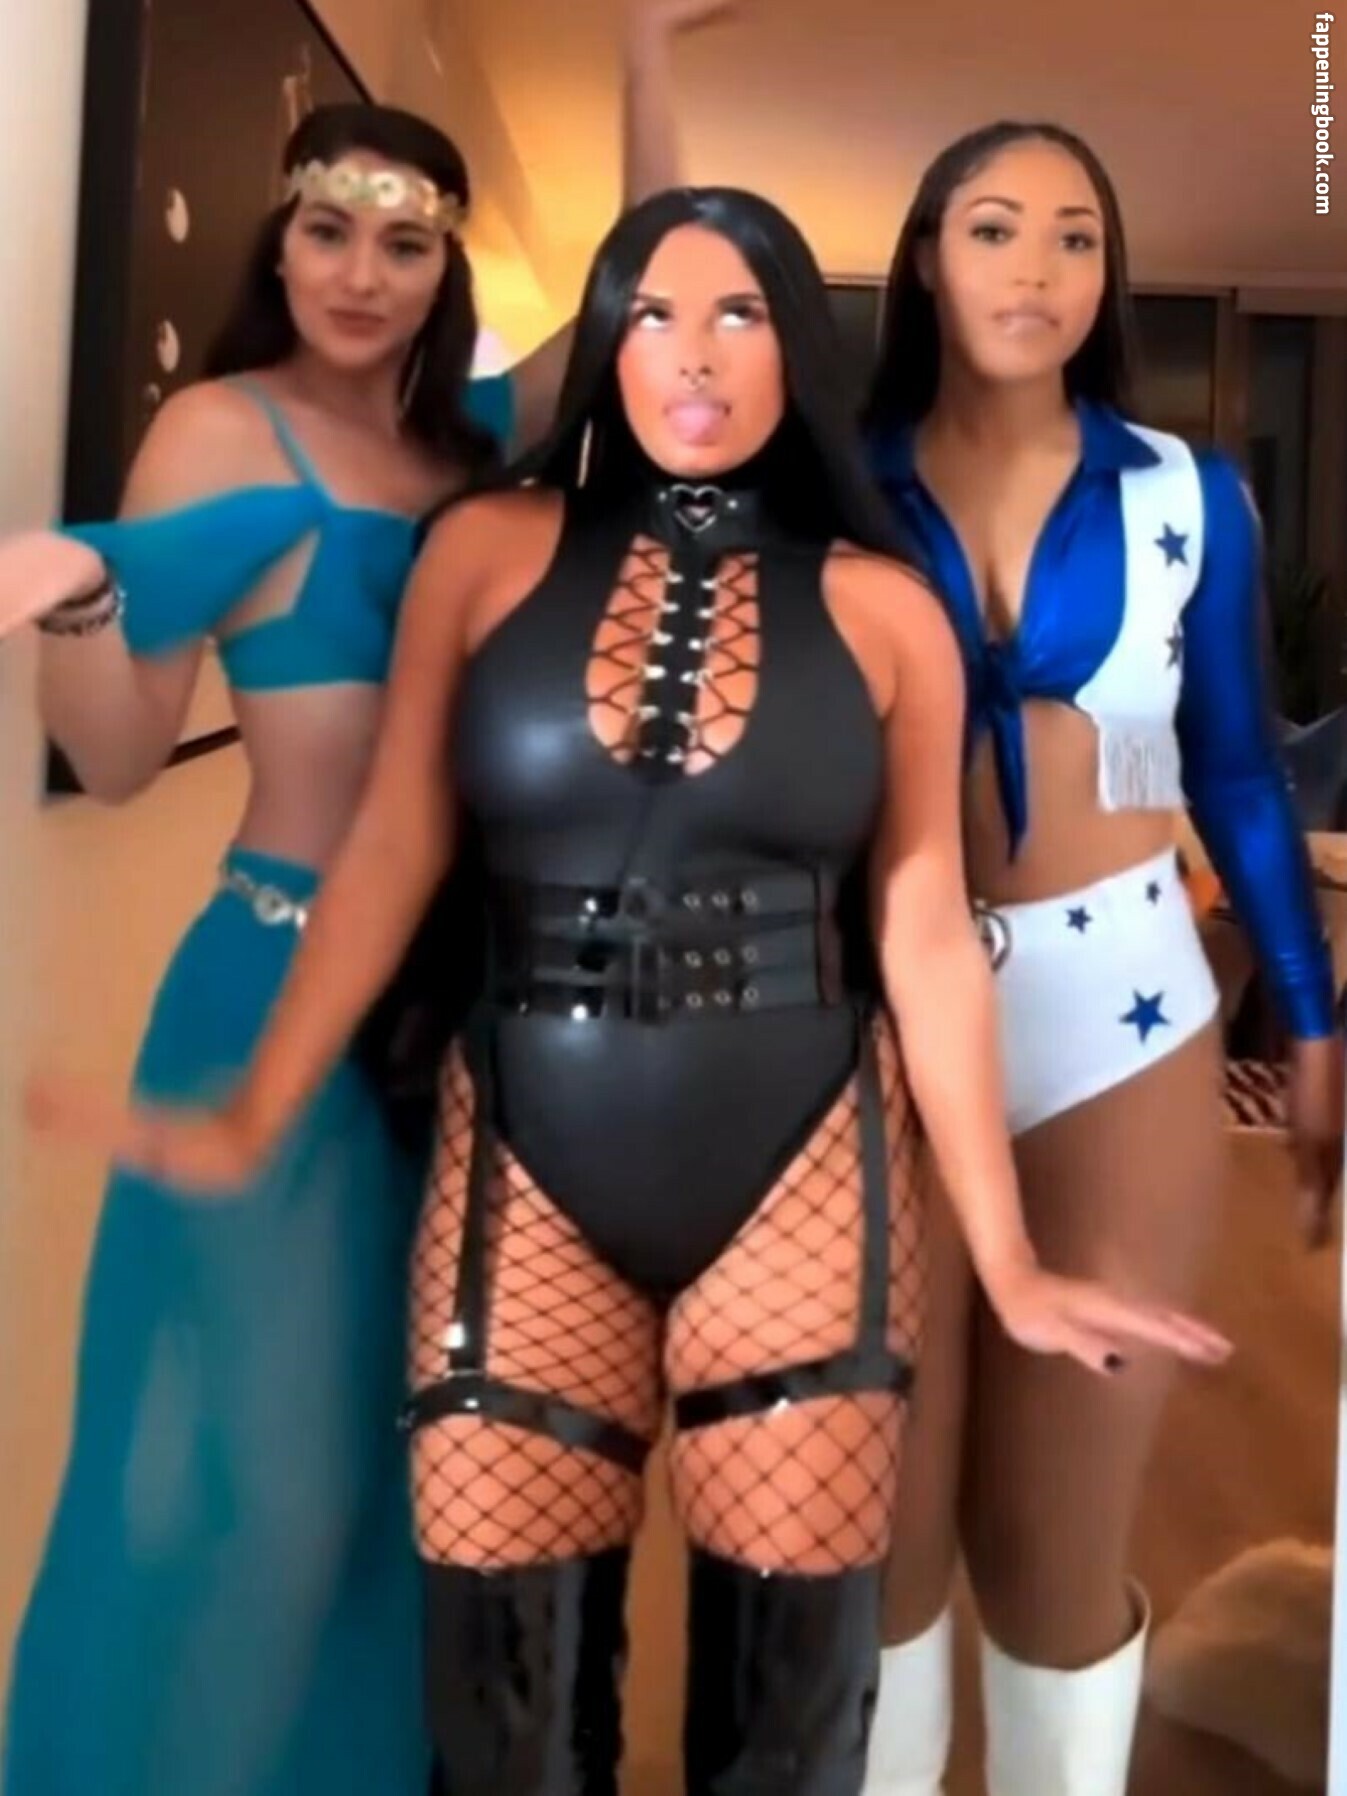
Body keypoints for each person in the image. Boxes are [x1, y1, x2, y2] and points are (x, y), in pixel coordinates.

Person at [35, 183, 1235, 1796]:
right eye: (654, 313)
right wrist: (258, 1109)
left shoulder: (887, 608)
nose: (695, 354)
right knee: (507, 1731)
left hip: (806, 1178)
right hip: (523, 1164)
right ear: (603, 342)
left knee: (784, 1737)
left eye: (739, 313)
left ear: (795, 348)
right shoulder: (483, 552)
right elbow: (391, 851)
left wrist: (1009, 1264)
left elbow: (926, 931)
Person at [1, 10, 730, 1791]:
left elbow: (651, 299)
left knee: (427, 1494)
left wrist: (646, 55)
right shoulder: (218, 432)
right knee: (260, 1503)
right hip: (277, 995)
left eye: (403, 246)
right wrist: (79, 600)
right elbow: (117, 757)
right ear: (280, 240)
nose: (358, 273)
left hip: (473, 1023)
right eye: (327, 231)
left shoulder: (473, 447)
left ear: (442, 271)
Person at [858, 120, 1343, 1796]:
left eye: (1078, 236)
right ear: (929, 259)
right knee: (878, 1536)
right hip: (875, 1030)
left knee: (1054, 1547)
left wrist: (1313, 1020)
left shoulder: (1186, 495)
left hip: (1119, 1027)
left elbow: (1239, 773)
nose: (1040, 269)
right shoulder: (832, 484)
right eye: (997, 228)